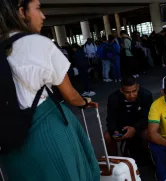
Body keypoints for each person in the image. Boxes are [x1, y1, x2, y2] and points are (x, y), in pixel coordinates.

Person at [0, 0, 100, 180]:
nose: (43, 16)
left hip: (8, 142)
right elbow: (70, 95)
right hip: (45, 132)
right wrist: (84, 102)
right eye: (38, 9)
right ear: (21, 12)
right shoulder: (36, 43)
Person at [104, 76, 153, 165]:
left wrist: (134, 128)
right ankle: (115, 164)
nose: (131, 95)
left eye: (134, 91)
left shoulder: (146, 95)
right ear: (121, 90)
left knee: (149, 133)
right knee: (107, 136)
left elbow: (148, 118)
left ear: (137, 87)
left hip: (139, 126)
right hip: (122, 127)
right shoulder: (113, 98)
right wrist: (114, 131)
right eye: (127, 92)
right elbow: (110, 119)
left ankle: (151, 159)